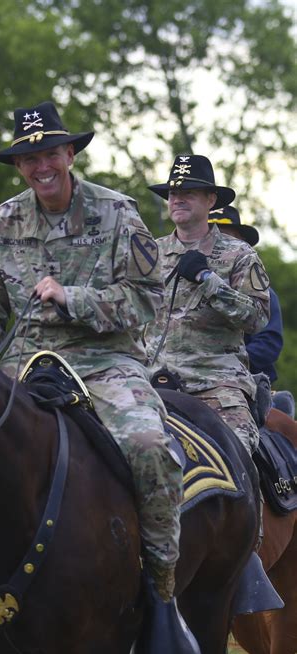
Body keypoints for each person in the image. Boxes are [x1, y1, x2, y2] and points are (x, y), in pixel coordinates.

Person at [0, 100, 183, 602]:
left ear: (69, 153)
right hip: (20, 363)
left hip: (103, 361)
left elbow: (147, 300)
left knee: (150, 449)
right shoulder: (1, 222)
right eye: (29, 159)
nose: (41, 167)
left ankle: (160, 586)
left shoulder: (118, 214)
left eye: (49, 154)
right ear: (19, 166)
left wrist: (74, 299)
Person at [145, 155, 271, 456]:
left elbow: (257, 318)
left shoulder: (239, 255)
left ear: (211, 199)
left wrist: (208, 279)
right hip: (149, 380)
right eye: (174, 193)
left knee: (237, 457)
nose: (178, 199)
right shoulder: (150, 253)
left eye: (189, 192)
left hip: (215, 384)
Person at [208, 206, 294, 419]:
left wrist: (218, 363)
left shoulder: (262, 293)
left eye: (225, 235)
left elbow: (268, 345)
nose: (218, 243)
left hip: (240, 384)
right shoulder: (180, 286)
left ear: (241, 242)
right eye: (211, 234)